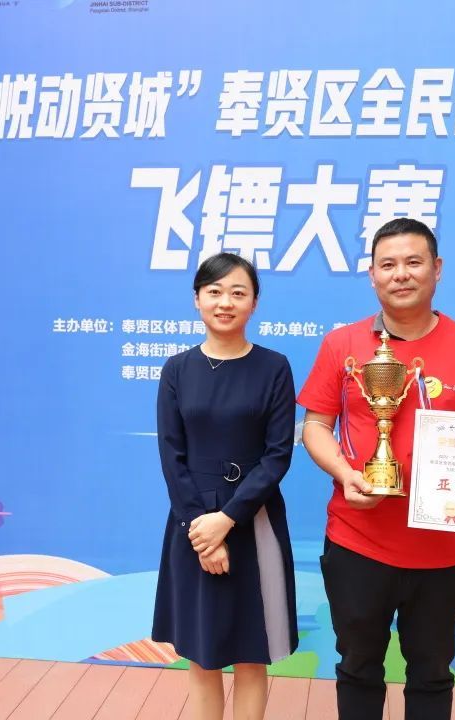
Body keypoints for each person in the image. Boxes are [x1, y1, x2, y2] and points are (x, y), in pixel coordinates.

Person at [298, 218, 455, 720]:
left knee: (432, 674)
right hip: (357, 541)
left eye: (413, 262)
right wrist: (346, 473)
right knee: (358, 667)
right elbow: (315, 426)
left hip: (441, 551)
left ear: (437, 269)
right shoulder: (342, 345)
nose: (401, 274)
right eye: (388, 264)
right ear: (372, 275)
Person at [152, 252, 299, 720]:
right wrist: (202, 529)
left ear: (254, 302)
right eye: (214, 291)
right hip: (192, 524)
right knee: (202, 655)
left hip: (254, 518)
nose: (225, 302)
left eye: (238, 292)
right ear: (197, 299)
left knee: (252, 655)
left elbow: (277, 455)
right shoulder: (177, 369)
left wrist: (228, 519)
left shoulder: (274, 367)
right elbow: (172, 456)